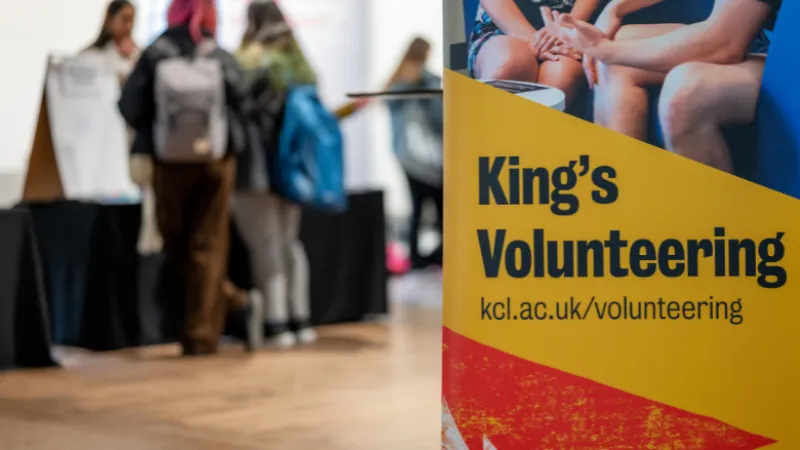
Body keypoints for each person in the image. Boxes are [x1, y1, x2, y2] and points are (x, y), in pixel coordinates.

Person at [118, 0, 263, 356]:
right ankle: (211, 325)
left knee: (175, 240)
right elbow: (243, 102)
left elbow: (128, 107)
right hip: (216, 160)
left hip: (170, 162)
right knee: (209, 246)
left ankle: (212, 322)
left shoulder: (155, 53)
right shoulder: (219, 55)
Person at [557, 0, 782, 173]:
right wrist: (614, 9)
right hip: (770, 46)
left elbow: (724, 44)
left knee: (687, 89)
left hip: (785, 61)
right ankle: (624, 207)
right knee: (617, 58)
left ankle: (714, 228)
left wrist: (603, 49)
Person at [232, 0, 317, 349]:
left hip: (255, 170)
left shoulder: (248, 62)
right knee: (289, 244)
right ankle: (300, 320)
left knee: (266, 247)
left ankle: (276, 323)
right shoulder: (300, 66)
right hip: (293, 170)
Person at [468, 0, 603, 106]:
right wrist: (538, 42)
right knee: (509, 64)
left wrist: (565, 29)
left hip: (570, 26)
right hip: (505, 24)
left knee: (561, 74)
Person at [386, 37, 444, 271]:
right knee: (440, 208)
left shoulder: (396, 85)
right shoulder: (426, 84)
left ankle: (417, 257)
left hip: (407, 157)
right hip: (429, 158)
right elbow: (440, 118)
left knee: (417, 208)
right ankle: (439, 254)